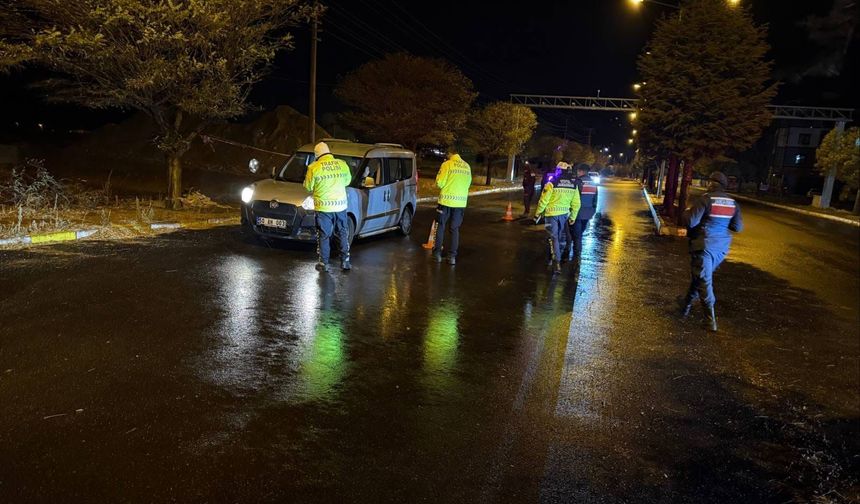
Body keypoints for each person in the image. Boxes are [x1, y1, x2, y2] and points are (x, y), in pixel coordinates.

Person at [680, 171, 743, 331]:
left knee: (704, 280)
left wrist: (687, 210)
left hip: (704, 246)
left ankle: (710, 320)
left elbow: (691, 222)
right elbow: (737, 227)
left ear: (710, 183)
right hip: (720, 249)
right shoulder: (732, 203)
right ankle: (684, 306)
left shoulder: (706, 199)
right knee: (701, 277)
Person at [303, 142, 353, 272]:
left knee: (324, 235)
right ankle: (345, 261)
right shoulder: (342, 164)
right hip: (340, 206)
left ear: (316, 155)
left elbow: (308, 187)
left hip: (324, 208)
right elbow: (347, 181)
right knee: (342, 232)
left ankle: (323, 263)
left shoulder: (314, 167)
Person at [535, 162, 581, 275]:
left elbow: (543, 200)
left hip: (551, 215)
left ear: (558, 171)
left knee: (553, 237)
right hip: (564, 215)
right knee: (557, 237)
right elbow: (576, 203)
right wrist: (573, 216)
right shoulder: (573, 185)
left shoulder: (551, 183)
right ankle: (552, 257)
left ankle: (556, 262)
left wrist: (538, 213)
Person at [432, 148, 472, 265]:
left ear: (450, 153)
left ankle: (437, 254)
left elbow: (440, 183)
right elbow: (468, 184)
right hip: (460, 204)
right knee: (454, 229)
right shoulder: (467, 167)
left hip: (445, 202)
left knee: (441, 226)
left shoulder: (447, 165)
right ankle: (452, 257)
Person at [566, 163, 599, 261]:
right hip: (588, 213)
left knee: (577, 235)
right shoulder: (593, 183)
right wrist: (593, 211)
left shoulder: (577, 182)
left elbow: (572, 198)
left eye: (578, 171)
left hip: (577, 213)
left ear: (581, 171)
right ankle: (576, 253)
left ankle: (576, 256)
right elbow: (595, 200)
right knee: (579, 232)